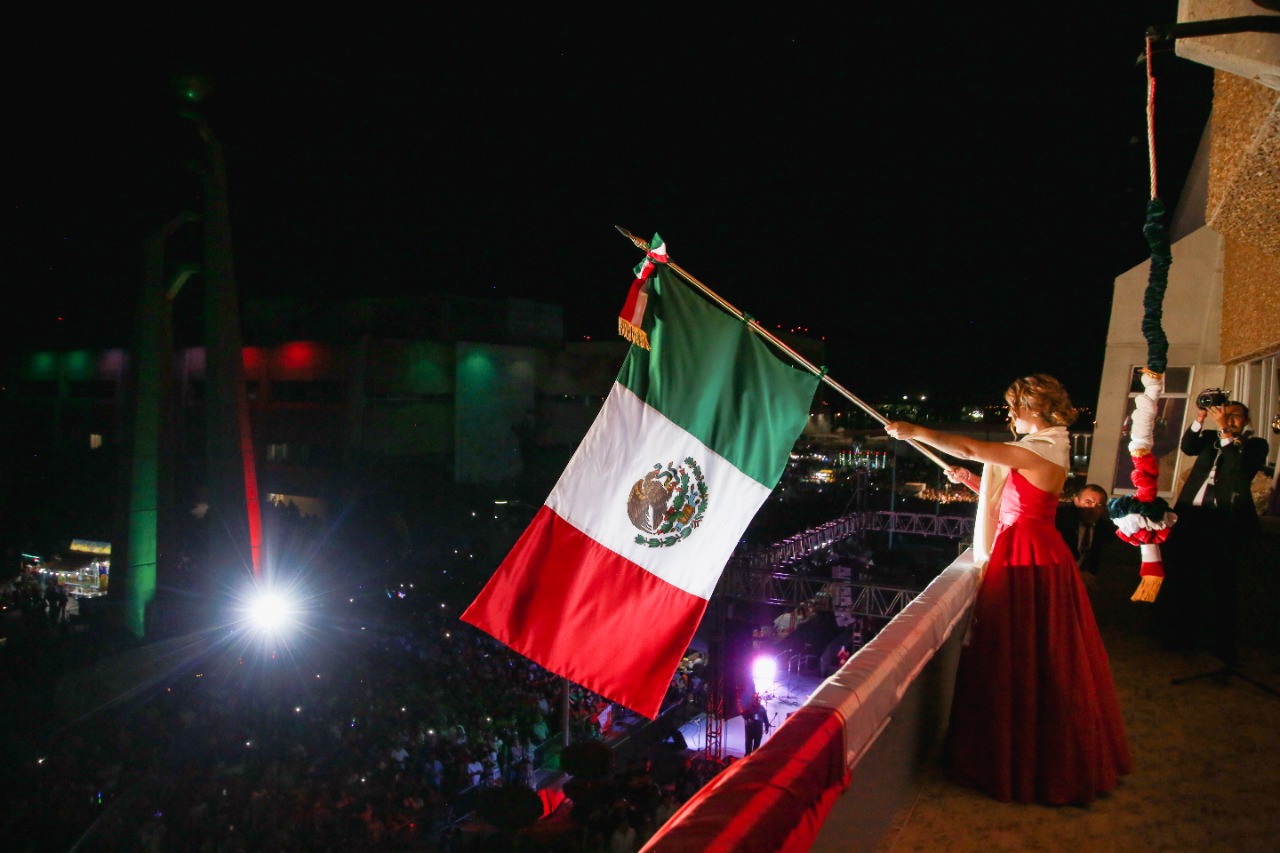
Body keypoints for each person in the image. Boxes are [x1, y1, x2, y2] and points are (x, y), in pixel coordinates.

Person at [885, 374, 1130, 804]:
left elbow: (970, 448)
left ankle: (1023, 761)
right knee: (1041, 654)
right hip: (1036, 549)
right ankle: (1037, 755)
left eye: (1015, 406)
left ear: (1034, 408)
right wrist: (971, 481)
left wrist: (915, 431)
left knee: (1016, 651)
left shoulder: (1042, 448)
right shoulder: (1049, 446)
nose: (1011, 415)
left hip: (1025, 554)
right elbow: (1018, 495)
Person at [1158, 400, 1269, 666]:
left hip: (1225, 521)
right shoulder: (1210, 438)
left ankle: (1223, 646)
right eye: (1225, 414)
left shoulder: (1256, 445)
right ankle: (1180, 636)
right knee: (1185, 578)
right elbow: (1187, 447)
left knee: (1223, 585)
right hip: (1192, 517)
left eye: (1235, 416)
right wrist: (1200, 417)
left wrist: (1224, 430)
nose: (1228, 419)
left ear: (1246, 421)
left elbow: (1237, 470)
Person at [1054, 483, 1112, 594]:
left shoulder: (1103, 528)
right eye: (1088, 502)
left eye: (1099, 505)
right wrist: (1076, 573)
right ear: (1076, 501)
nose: (1093, 509)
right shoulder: (1060, 520)